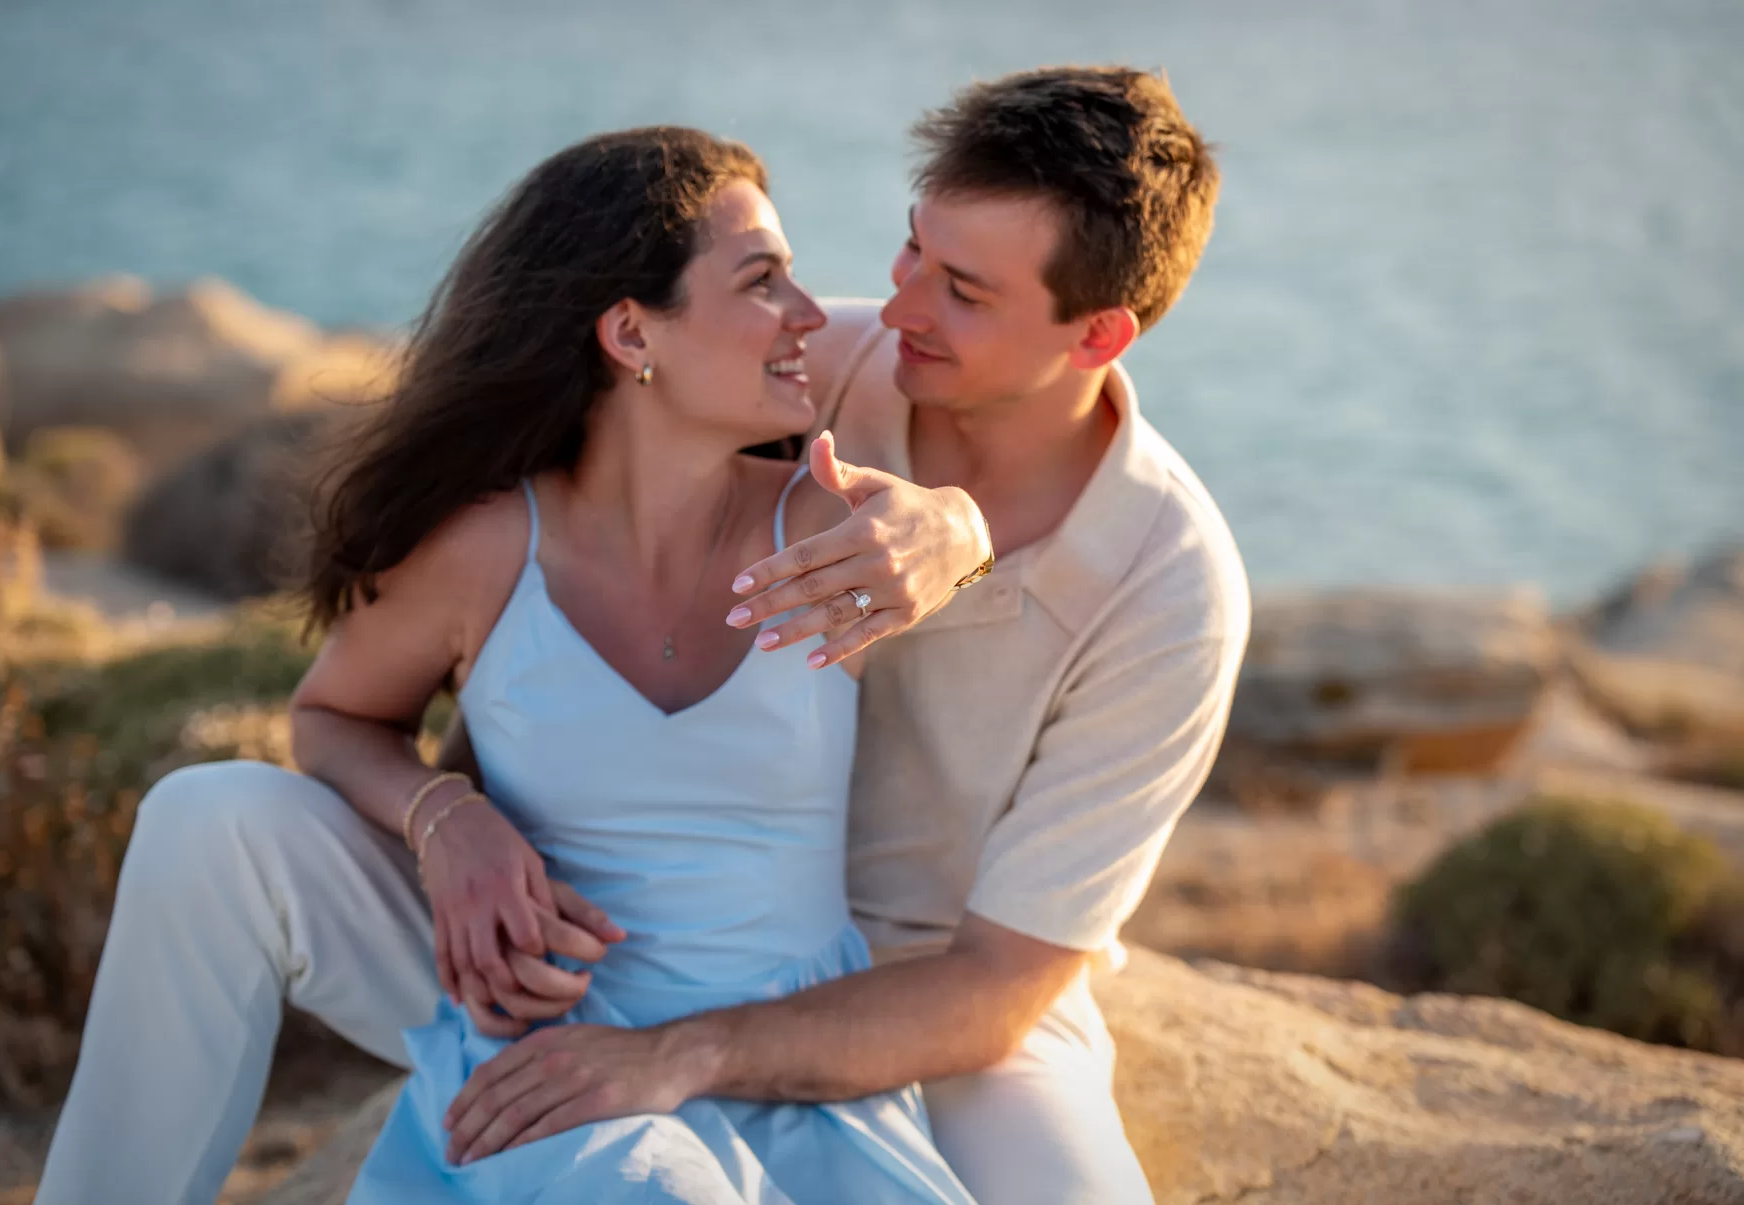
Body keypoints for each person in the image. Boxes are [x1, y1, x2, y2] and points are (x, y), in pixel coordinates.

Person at [35, 127, 987, 1205]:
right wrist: (447, 817)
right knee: (205, 815)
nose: (811, 314)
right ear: (631, 331)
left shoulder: (824, 525)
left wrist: (958, 527)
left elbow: (969, 507)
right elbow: (334, 717)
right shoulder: (484, 547)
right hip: (536, 1015)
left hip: (772, 1046)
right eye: (764, 281)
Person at [434, 66, 1249, 1204]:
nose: (901, 304)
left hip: (931, 997)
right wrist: (450, 809)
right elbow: (530, 547)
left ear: (1098, 332)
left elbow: (998, 984)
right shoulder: (803, 366)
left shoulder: (1169, 585)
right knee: (224, 825)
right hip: (627, 918)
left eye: (963, 289)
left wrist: (688, 1055)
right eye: (912, 248)